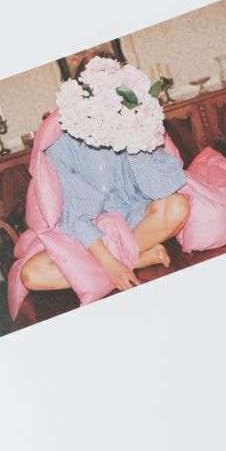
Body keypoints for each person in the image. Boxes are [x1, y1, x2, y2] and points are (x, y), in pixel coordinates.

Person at [20, 57, 190, 293]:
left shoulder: (138, 123)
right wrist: (110, 264)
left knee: (178, 206)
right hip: (88, 236)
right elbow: (76, 218)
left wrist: (135, 139)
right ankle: (135, 260)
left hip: (137, 223)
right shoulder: (60, 144)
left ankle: (122, 262)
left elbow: (160, 191)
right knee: (32, 275)